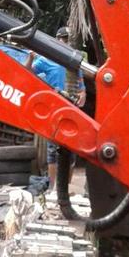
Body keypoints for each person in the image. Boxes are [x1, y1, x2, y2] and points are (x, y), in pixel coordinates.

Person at [29, 26, 86, 198]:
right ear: (57, 40)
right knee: (53, 149)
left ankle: (65, 190)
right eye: (63, 39)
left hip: (71, 109)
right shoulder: (46, 59)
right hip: (54, 110)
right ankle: (53, 188)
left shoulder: (75, 64)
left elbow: (82, 87)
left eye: (68, 39)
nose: (65, 42)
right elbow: (28, 71)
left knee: (71, 151)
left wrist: (82, 96)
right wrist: (30, 58)